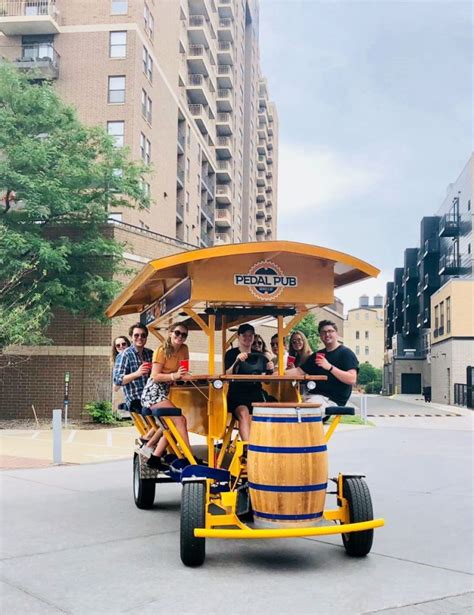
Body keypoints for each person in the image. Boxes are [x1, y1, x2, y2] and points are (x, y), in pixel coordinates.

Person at [141, 323, 194, 468]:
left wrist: (185, 377)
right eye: (177, 333)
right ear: (170, 333)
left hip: (165, 391)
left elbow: (183, 371)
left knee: (172, 425)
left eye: (184, 335)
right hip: (153, 392)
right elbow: (155, 376)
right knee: (180, 420)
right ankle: (188, 458)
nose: (180, 337)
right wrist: (174, 376)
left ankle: (155, 458)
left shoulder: (184, 349)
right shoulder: (161, 350)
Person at [286, 320, 358, 411]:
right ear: (320, 336)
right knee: (286, 405)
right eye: (323, 332)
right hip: (313, 396)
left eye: (330, 331)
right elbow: (299, 371)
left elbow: (352, 379)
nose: (327, 334)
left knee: (303, 410)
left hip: (331, 401)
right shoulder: (317, 355)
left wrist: (330, 367)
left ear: (336, 334)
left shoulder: (346, 353)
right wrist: (276, 374)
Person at [225, 323, 274, 441]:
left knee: (270, 408)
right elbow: (227, 375)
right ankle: (249, 448)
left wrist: (269, 370)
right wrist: (237, 360)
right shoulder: (231, 354)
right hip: (237, 394)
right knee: (243, 412)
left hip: (256, 392)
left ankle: (267, 443)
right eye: (244, 335)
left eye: (250, 335)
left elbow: (267, 382)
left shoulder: (259, 355)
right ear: (238, 336)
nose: (248, 338)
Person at [113, 323, 152, 413]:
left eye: (143, 335)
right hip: (136, 399)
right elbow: (117, 380)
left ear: (146, 337)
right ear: (131, 337)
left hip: (151, 396)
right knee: (161, 417)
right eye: (136, 335)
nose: (140, 337)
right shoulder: (124, 355)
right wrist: (137, 373)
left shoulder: (150, 353)